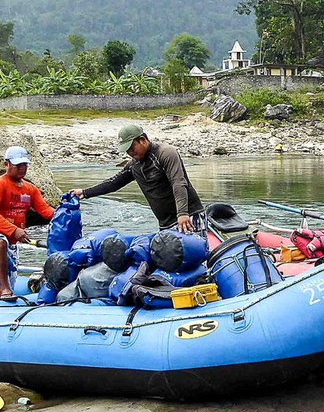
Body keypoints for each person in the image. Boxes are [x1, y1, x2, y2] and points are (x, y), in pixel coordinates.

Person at [70, 124, 205, 236]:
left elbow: (178, 183)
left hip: (188, 216)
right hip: (165, 225)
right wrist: (85, 193)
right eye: (127, 150)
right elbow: (113, 183)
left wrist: (182, 213)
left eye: (131, 148)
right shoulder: (134, 166)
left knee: (195, 255)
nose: (130, 153)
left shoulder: (165, 153)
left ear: (142, 140)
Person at [0, 146, 55, 299]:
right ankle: (4, 289)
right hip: (3, 237)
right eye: (18, 165)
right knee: (1, 242)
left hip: (12, 243)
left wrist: (64, 212)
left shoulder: (30, 189)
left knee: (12, 278)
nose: (22, 168)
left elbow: (45, 210)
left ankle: (8, 286)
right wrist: (13, 230)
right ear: (6, 164)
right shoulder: (1, 184)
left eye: (24, 164)